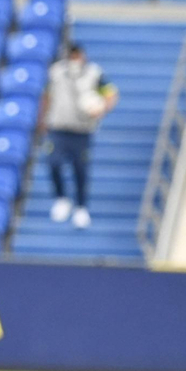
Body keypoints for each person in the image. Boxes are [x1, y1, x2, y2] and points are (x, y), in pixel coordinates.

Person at [42, 42, 118, 231]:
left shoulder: (94, 73)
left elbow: (110, 93)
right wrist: (42, 119)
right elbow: (47, 96)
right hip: (58, 128)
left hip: (82, 132)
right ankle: (61, 199)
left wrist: (102, 109)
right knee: (53, 162)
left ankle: (81, 207)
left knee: (80, 170)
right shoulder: (56, 72)